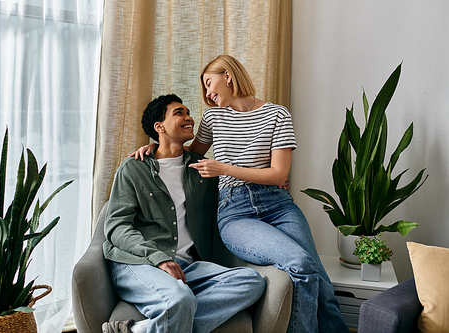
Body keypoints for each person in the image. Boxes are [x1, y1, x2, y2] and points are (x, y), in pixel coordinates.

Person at [133, 55, 349, 333]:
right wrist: (152, 148)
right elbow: (188, 155)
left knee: (318, 277)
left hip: (278, 205)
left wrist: (223, 167)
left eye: (210, 83)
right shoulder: (213, 117)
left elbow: (278, 174)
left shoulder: (277, 114)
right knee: (301, 263)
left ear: (229, 76)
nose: (208, 94)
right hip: (235, 212)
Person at [103, 93, 266, 333]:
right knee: (180, 300)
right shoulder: (134, 167)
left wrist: (271, 183)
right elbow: (116, 228)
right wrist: (159, 258)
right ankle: (174, 311)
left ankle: (140, 330)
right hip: (139, 263)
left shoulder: (204, 170)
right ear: (160, 127)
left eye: (188, 112)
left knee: (252, 282)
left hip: (188, 267)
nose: (189, 117)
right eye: (179, 113)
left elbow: (237, 186)